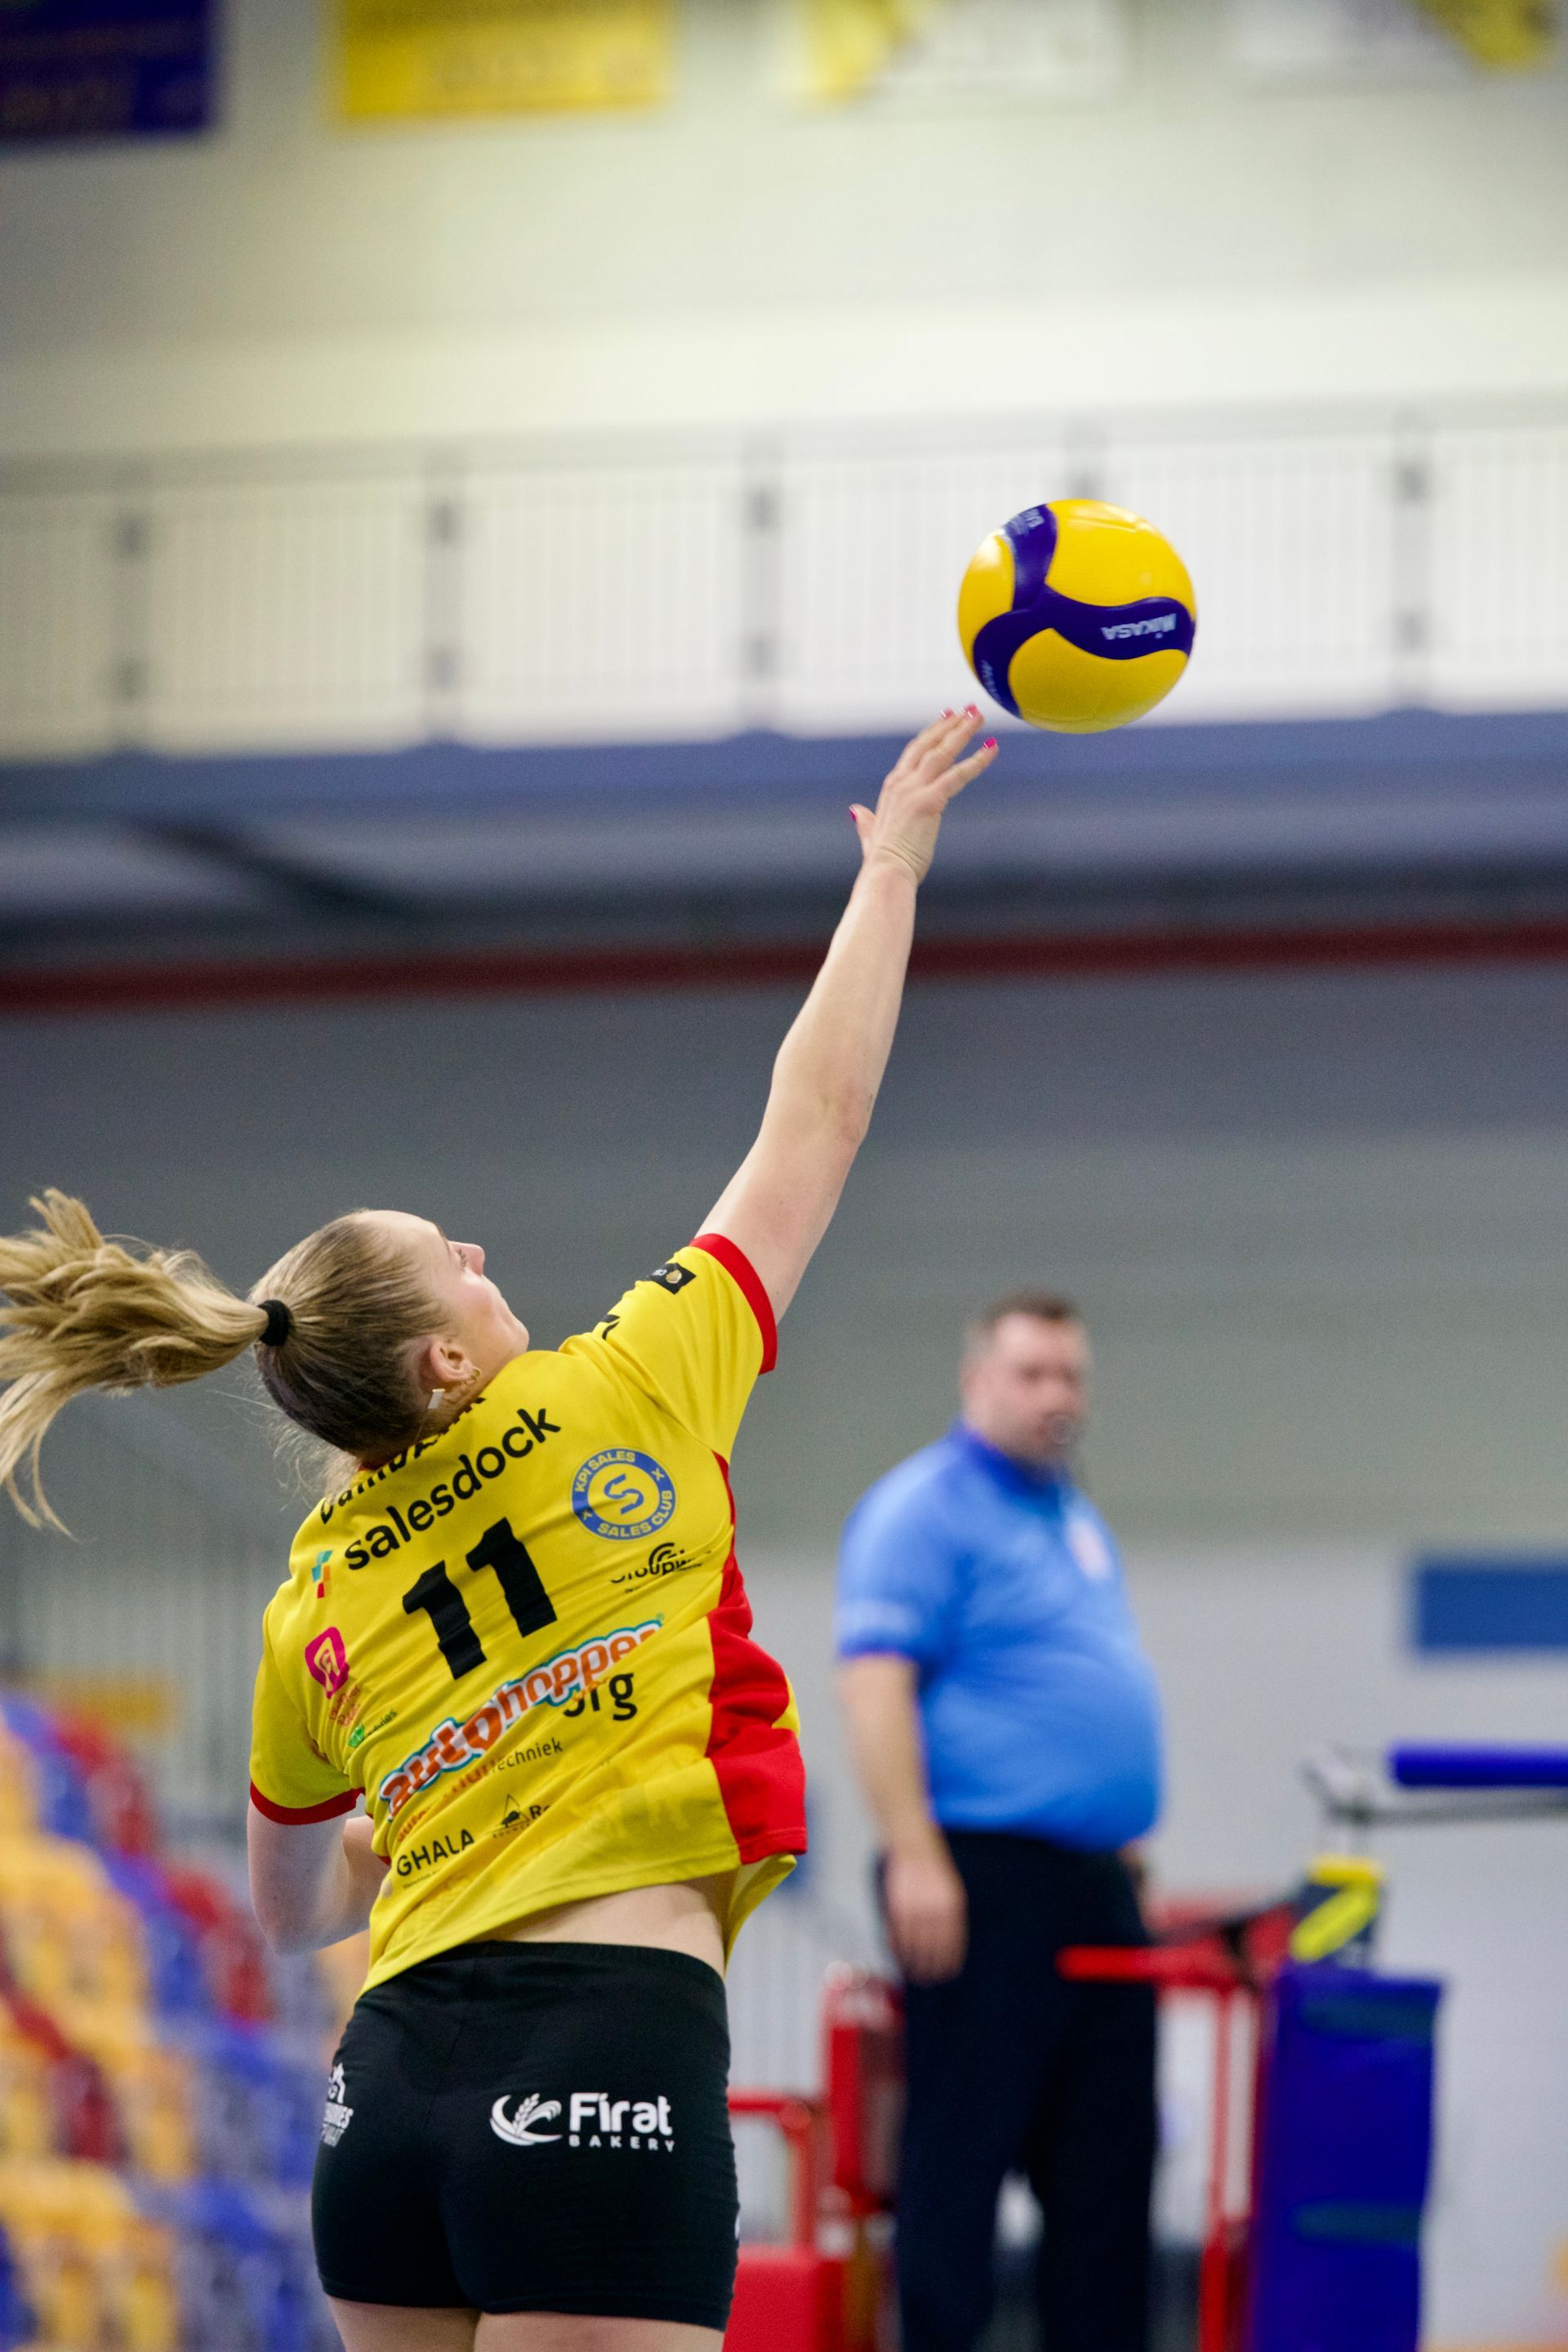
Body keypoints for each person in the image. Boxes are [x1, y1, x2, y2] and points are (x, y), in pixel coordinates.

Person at [0, 710, 997, 2352]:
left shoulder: (316, 1591)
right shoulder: (626, 1389)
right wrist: (890, 869)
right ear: (446, 1360)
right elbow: (812, 1122)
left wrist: (426, 1816)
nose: (473, 1240)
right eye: (447, 1251)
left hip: (388, 2090)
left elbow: (291, 1909)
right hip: (604, 2039)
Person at [836, 1296, 1163, 2352]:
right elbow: (874, 1687)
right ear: (977, 1381)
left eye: (1071, 1376)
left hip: (1089, 1886)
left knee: (1107, 2170)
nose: (1057, 1397)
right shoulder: (922, 1510)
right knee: (961, 2156)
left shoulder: (1069, 1516)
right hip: (977, 1878)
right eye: (1032, 1374)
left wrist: (1113, 1835)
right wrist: (916, 1855)